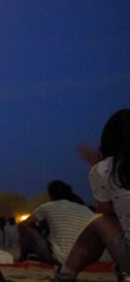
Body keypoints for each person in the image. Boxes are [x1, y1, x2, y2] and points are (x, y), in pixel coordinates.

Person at [54, 109, 130, 281]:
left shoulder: (106, 170)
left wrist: (96, 163)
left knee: (100, 222)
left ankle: (64, 275)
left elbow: (104, 211)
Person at [19, 180, 94, 265]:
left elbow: (23, 224)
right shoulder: (87, 210)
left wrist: (37, 229)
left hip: (62, 259)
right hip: (87, 260)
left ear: (51, 194)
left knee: (24, 227)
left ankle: (23, 257)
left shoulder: (48, 207)